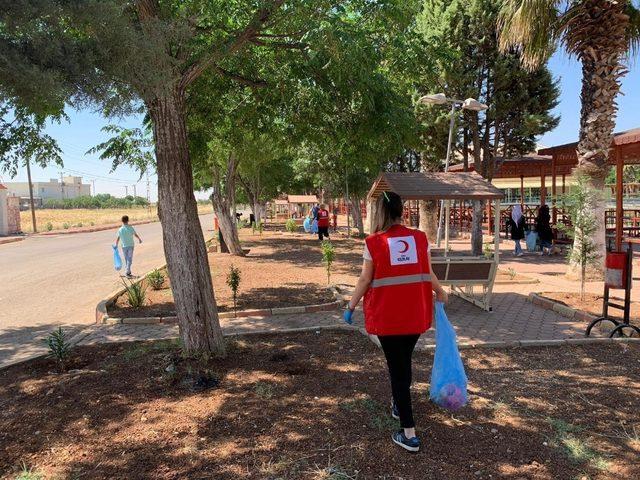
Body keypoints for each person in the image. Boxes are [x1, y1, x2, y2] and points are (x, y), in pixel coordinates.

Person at [343, 191, 447, 453]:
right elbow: (428, 272)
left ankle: (409, 433)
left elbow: (365, 280)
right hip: (415, 315)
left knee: (398, 372)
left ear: (378, 213)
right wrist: (441, 291)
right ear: (402, 211)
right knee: (404, 364)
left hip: (388, 318)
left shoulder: (373, 242)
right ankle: (399, 406)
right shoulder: (420, 238)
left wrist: (351, 305)